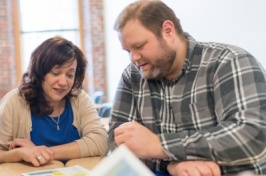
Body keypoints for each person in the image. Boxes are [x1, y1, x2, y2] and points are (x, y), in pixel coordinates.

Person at [107, 0, 266, 176]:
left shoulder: (230, 61)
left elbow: (252, 136)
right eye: (127, 51)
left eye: (139, 46)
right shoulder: (132, 76)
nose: (133, 58)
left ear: (168, 31)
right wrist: (170, 164)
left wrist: (158, 145)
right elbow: (116, 141)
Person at [0, 36, 108, 167]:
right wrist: (20, 154)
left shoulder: (80, 99)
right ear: (40, 73)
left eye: (70, 75)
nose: (63, 82)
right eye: (56, 73)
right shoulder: (14, 102)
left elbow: (100, 141)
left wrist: (42, 152)